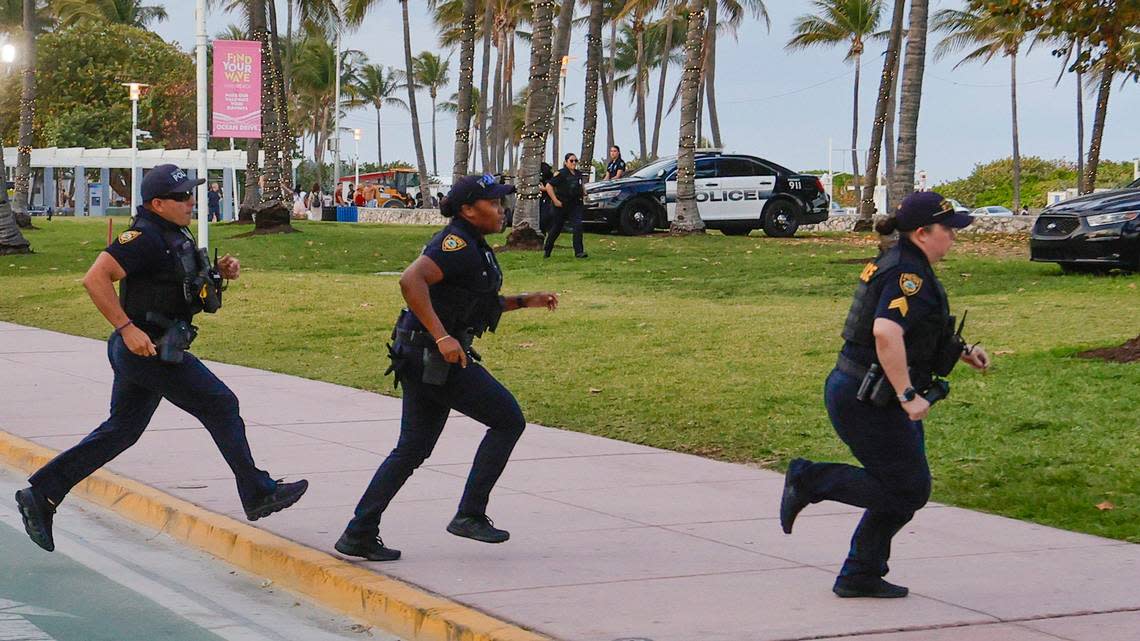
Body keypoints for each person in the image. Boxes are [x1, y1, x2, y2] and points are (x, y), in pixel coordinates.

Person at [14, 164, 309, 553]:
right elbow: (95, 278)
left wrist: (218, 273)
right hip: (147, 350)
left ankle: (43, 493)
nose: (191, 201)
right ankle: (257, 491)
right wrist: (125, 328)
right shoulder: (143, 237)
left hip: (154, 348)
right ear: (157, 203)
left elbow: (177, 286)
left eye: (191, 193)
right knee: (221, 404)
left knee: (122, 431)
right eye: (182, 196)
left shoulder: (173, 234)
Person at [335, 174, 559, 561]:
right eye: (493, 202)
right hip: (433, 356)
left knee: (412, 449)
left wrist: (524, 301)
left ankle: (359, 531)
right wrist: (442, 337)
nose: (502, 209)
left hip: (424, 356)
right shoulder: (455, 244)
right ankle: (469, 514)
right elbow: (411, 281)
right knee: (508, 420)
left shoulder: (474, 245)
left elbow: (469, 301)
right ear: (469, 210)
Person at [779, 192, 990, 599]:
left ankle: (861, 572)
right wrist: (909, 394)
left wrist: (962, 352)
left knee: (902, 485)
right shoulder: (905, 274)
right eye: (948, 230)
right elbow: (886, 333)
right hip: (865, 397)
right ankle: (809, 479)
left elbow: (917, 328)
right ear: (923, 232)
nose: (953, 238)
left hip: (865, 390)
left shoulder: (907, 263)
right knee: (909, 488)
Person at [543, 153, 587, 259]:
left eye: (575, 161)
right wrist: (555, 200)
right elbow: (549, 186)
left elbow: (581, 185)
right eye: (571, 161)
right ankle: (547, 249)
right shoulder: (561, 174)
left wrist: (584, 192)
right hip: (562, 205)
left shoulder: (578, 173)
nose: (574, 163)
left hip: (575, 204)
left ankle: (579, 252)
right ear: (566, 162)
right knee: (557, 228)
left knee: (578, 226)